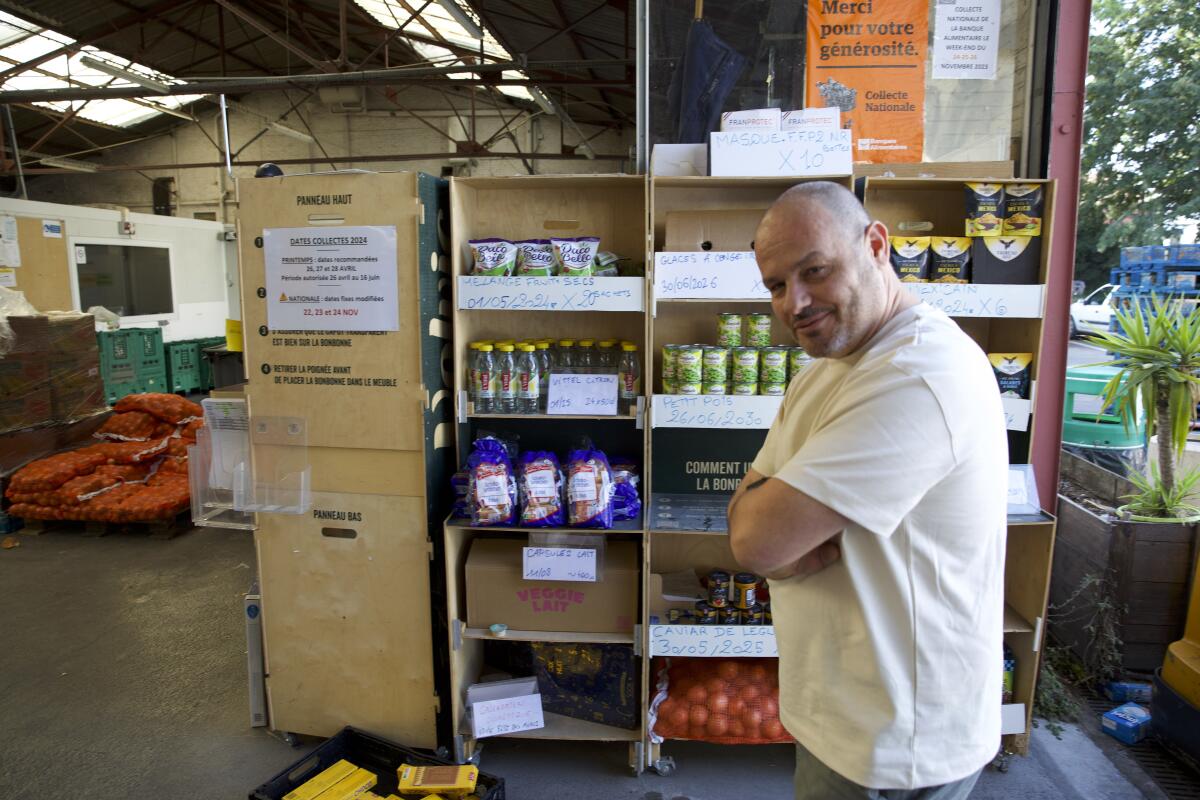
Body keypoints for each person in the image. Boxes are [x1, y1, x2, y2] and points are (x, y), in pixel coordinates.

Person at [727, 181, 1008, 799]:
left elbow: (757, 543)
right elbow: (747, 519)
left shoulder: (918, 374)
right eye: (776, 285)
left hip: (898, 742)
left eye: (815, 271)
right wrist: (787, 535)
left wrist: (783, 537)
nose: (794, 303)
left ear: (876, 244)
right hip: (843, 716)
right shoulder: (826, 369)